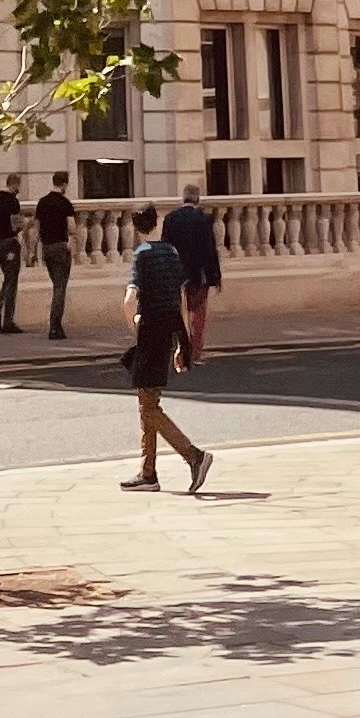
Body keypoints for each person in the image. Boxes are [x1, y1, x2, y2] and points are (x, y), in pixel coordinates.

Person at [119, 204, 212, 494]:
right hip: (169, 332)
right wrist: (181, 343)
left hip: (149, 333)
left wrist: (134, 323)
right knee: (147, 402)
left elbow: (129, 298)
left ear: (135, 226)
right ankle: (148, 473)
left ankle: (194, 455)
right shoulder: (171, 253)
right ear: (157, 221)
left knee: (149, 407)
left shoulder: (141, 255)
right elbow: (180, 299)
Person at [165, 182, 222, 365]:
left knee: (179, 313)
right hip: (199, 274)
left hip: (177, 274)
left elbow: (167, 248)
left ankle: (181, 350)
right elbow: (210, 250)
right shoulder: (204, 219)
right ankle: (196, 351)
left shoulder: (170, 219)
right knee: (198, 313)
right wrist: (216, 276)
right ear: (197, 199)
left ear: (184, 198)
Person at [37, 170, 76, 339]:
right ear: (64, 184)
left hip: (47, 247)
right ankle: (54, 326)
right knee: (60, 287)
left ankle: (55, 324)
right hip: (61, 246)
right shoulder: (65, 203)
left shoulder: (42, 203)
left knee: (56, 284)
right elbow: (72, 227)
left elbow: (38, 229)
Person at [0, 176, 27, 331]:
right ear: (14, 185)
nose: (19, 190)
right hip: (9, 243)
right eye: (18, 186)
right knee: (12, 281)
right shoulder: (12, 202)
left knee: (7, 279)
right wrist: (25, 225)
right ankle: (5, 318)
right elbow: (15, 225)